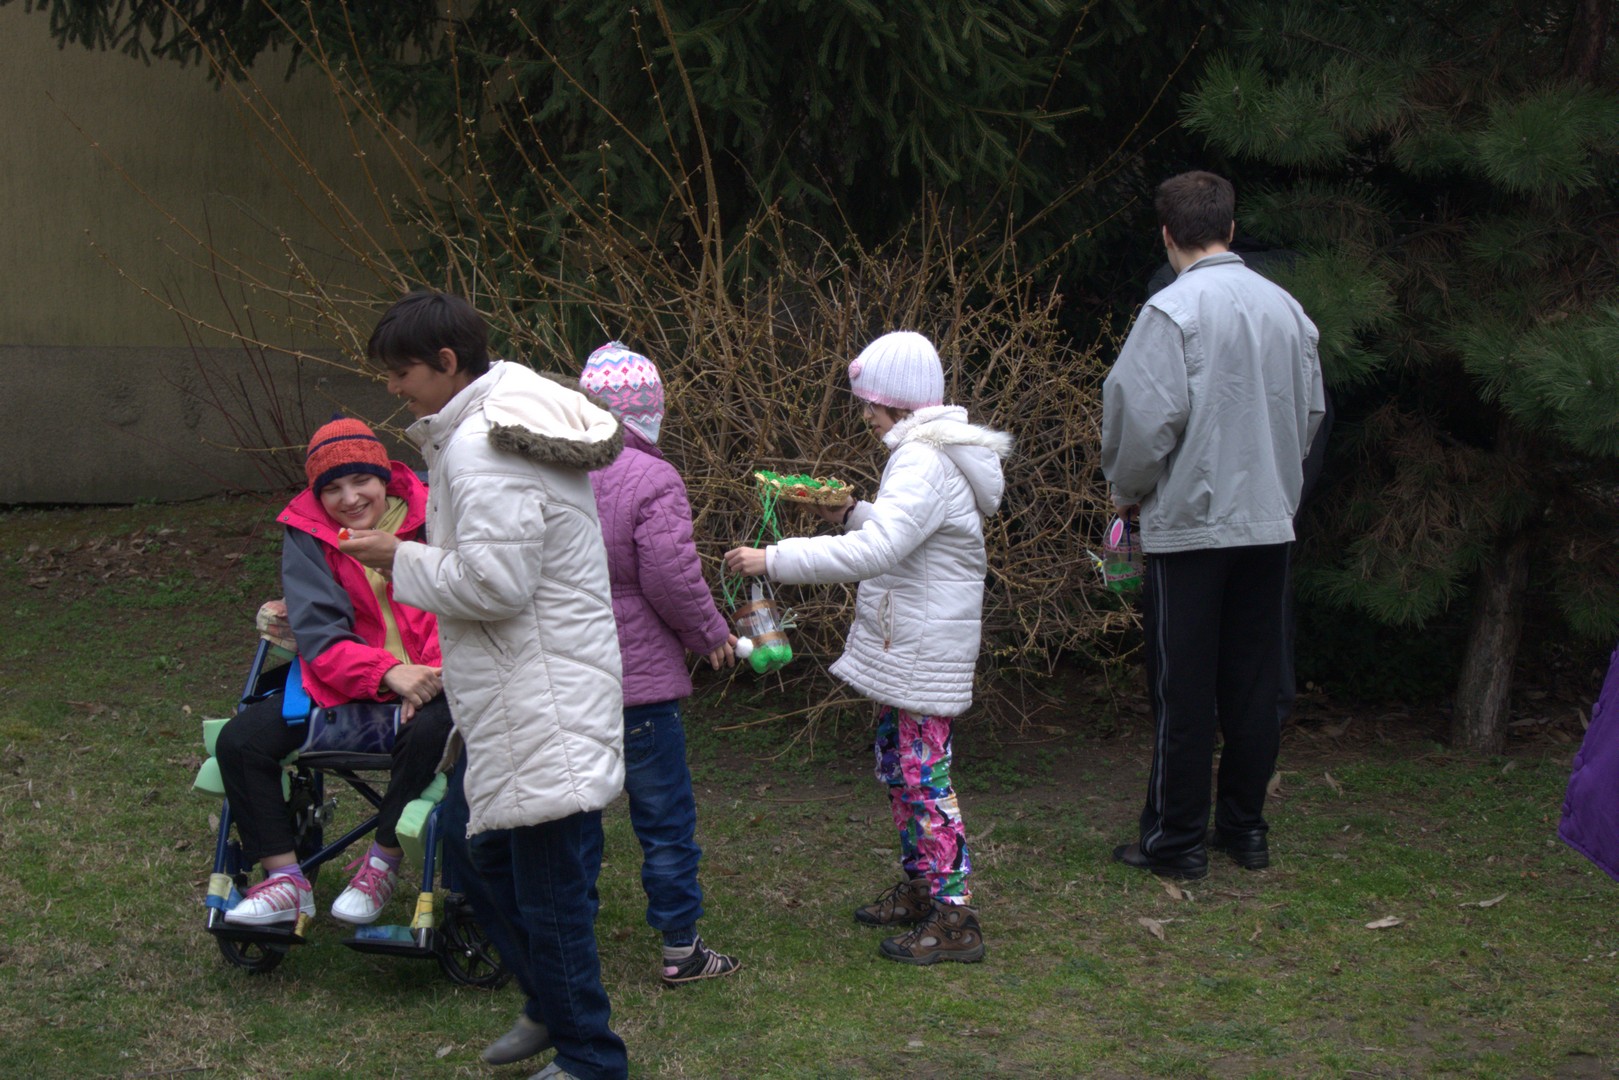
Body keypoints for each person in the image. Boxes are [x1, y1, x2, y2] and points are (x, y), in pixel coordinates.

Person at [342, 291, 629, 1080]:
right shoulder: (488, 424)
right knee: (477, 858)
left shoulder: (482, 448)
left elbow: (496, 585)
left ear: (445, 363)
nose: (392, 389)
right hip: (521, 695)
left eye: (400, 373)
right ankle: (549, 1003)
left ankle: (589, 1056)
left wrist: (398, 558)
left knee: (548, 895)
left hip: (542, 700)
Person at [724, 330, 1012, 965]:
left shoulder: (923, 458)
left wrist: (774, 559)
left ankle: (955, 916)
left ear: (899, 402)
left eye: (870, 405)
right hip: (908, 644)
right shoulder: (925, 452)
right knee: (901, 768)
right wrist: (853, 511)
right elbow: (903, 532)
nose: (866, 417)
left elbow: (879, 552)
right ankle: (922, 889)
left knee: (924, 778)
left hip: (922, 648)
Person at [1102, 171, 1326, 881]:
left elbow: (1142, 419)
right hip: (1267, 523)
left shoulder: (1171, 311)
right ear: (1230, 229)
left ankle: (1176, 841)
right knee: (1255, 686)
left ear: (1167, 234)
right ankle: (1244, 829)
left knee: (1184, 689)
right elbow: (1311, 415)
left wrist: (1126, 492)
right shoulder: (1287, 310)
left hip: (1193, 526)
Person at [218, 417, 454, 927]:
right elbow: (319, 633)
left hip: (440, 676)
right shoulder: (307, 533)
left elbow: (457, 604)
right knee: (240, 742)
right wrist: (389, 672)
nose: (349, 498)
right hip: (345, 683)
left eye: (361, 481)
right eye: (332, 488)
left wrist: (428, 676)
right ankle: (285, 880)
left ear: (383, 477)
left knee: (433, 731)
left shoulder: (437, 511)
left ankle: (382, 863)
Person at [577, 341, 742, 985]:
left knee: (574, 820)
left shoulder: (555, 471)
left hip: (570, 675)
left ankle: (571, 945)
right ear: (651, 412)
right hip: (639, 687)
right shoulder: (651, 477)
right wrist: (709, 633)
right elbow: (671, 576)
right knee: (664, 820)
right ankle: (681, 948)